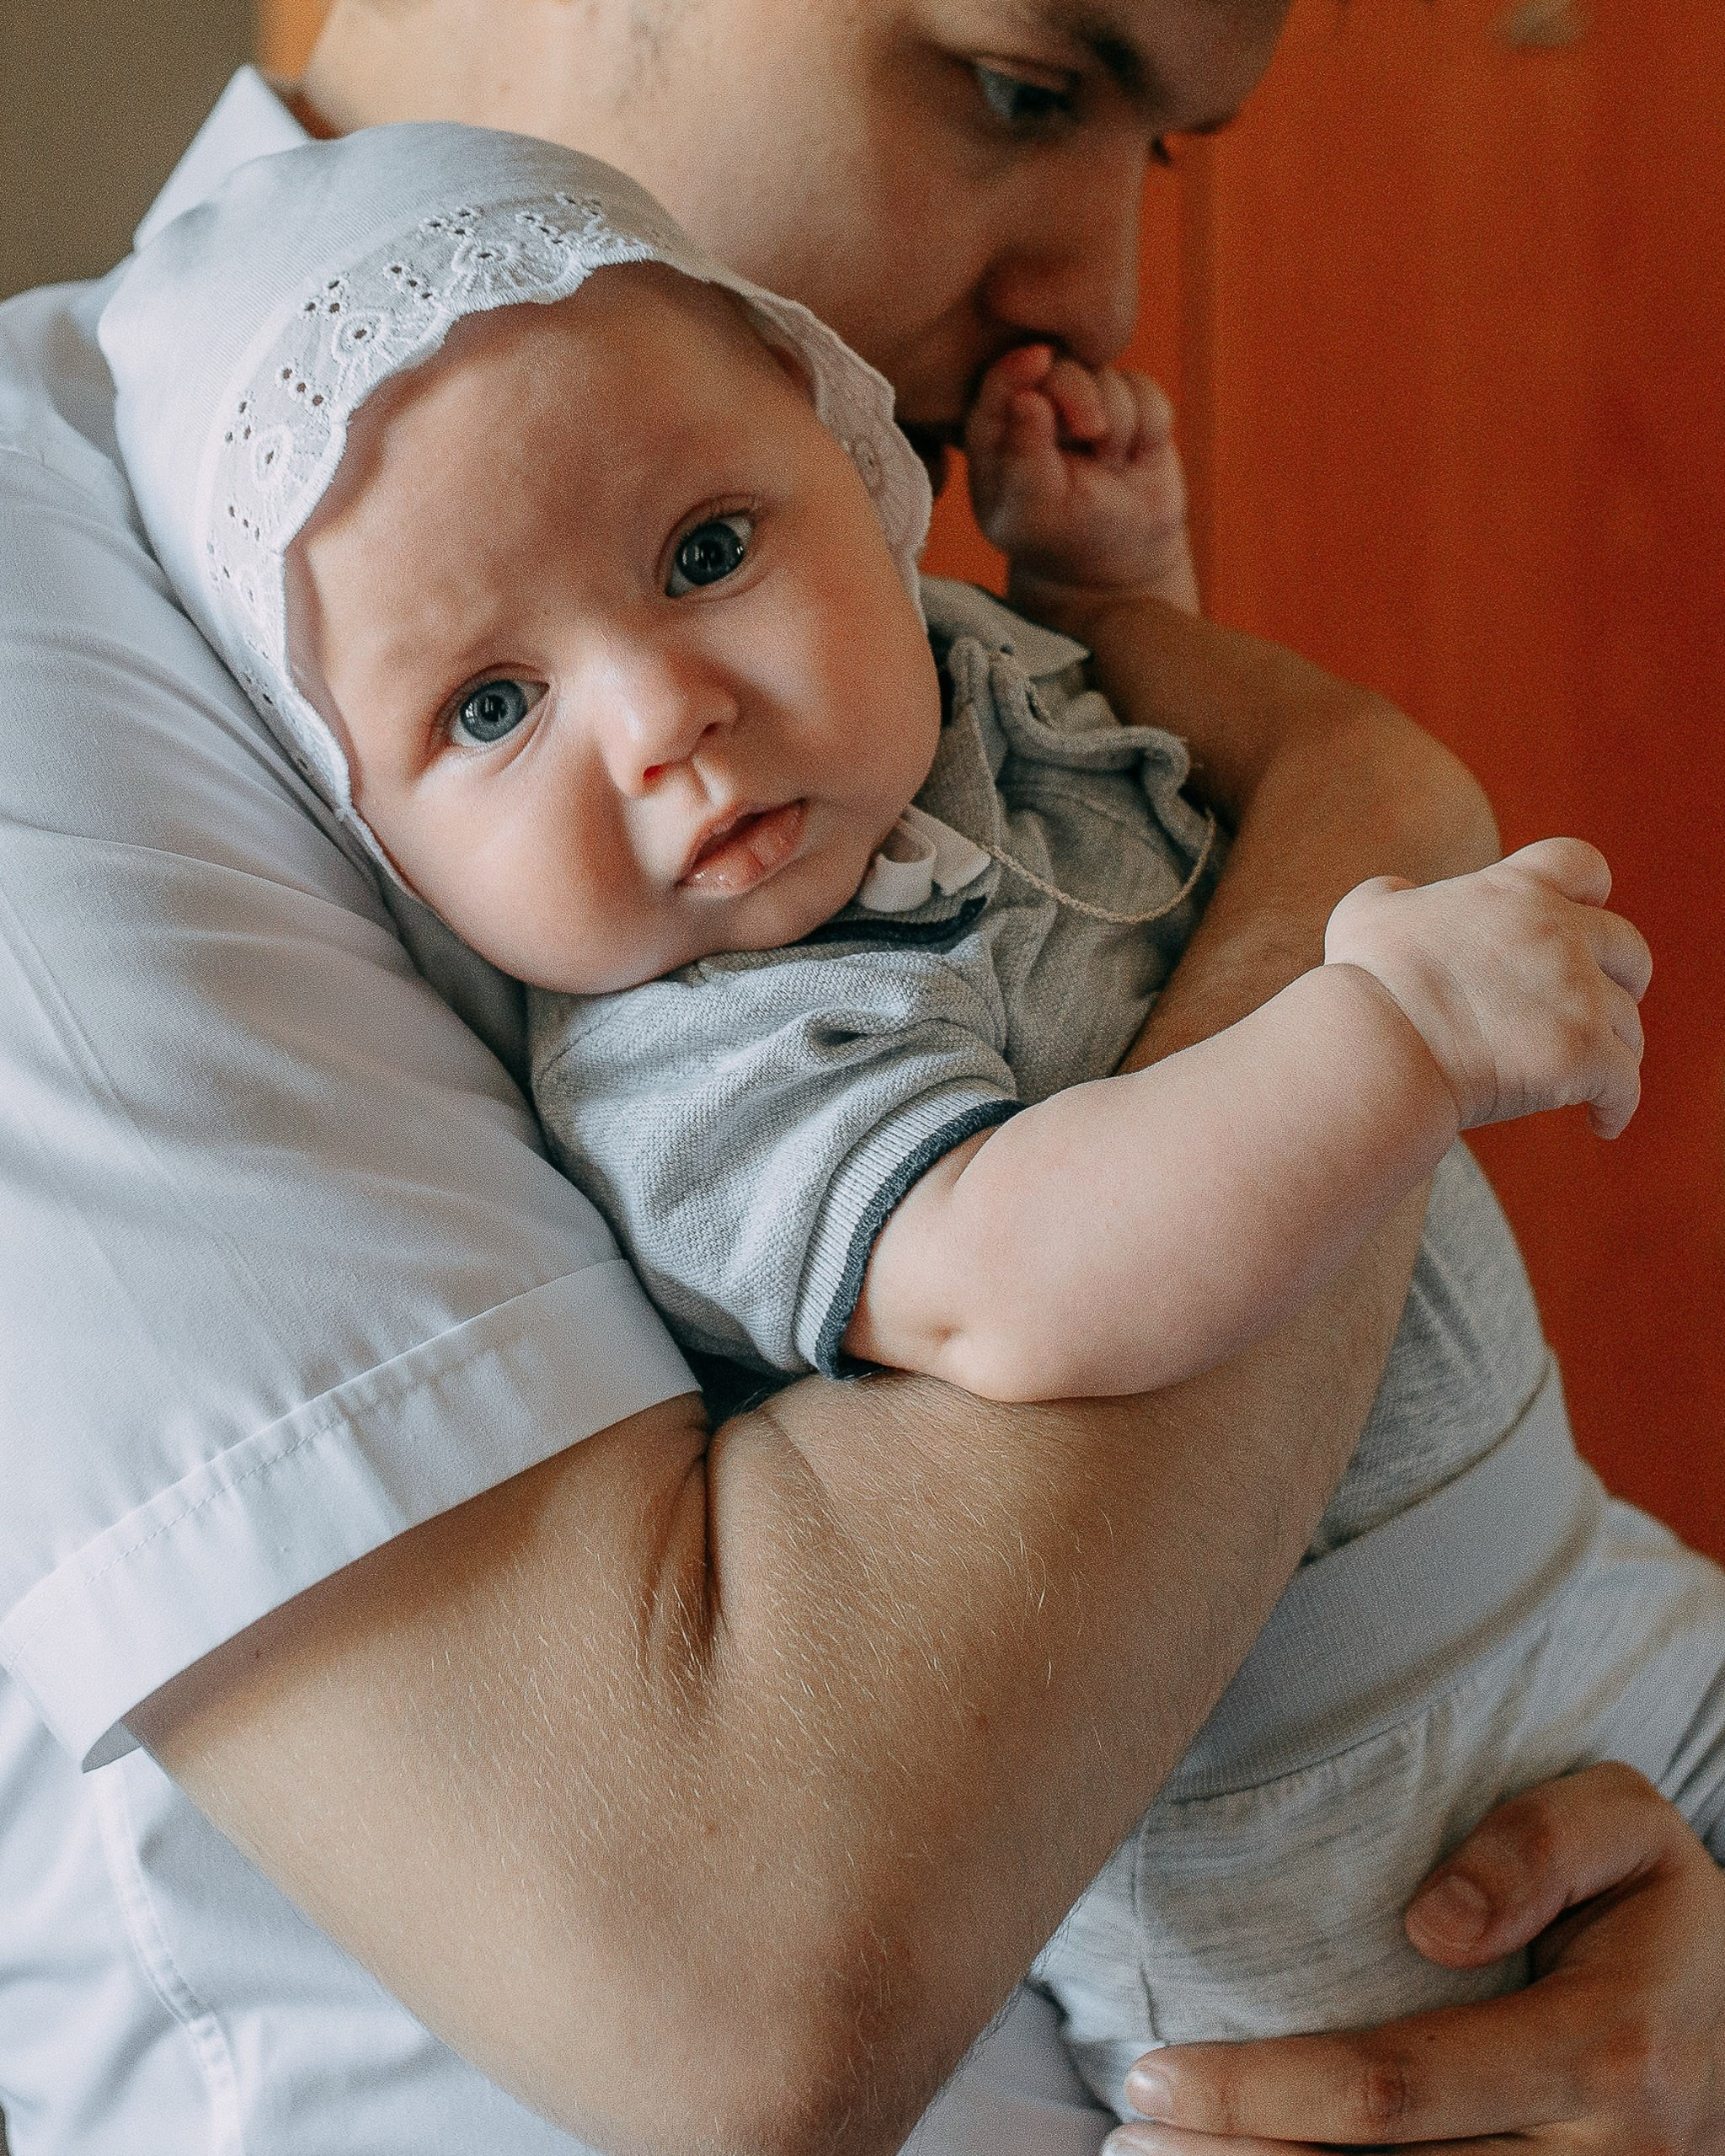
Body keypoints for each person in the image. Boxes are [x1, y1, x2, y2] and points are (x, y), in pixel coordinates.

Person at [0, 4, 1719, 2151]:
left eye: (1157, 153)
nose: (1097, 284)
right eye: (1014, 79)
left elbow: (1127, 835)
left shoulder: (842, 647)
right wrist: (1373, 845)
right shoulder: (61, 610)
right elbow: (745, 1976)